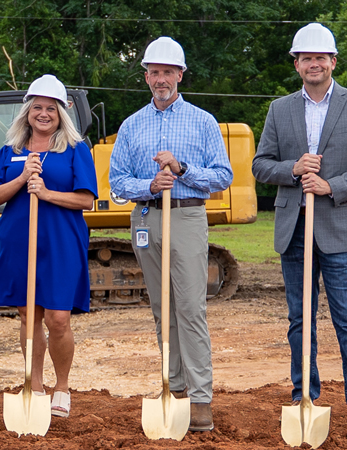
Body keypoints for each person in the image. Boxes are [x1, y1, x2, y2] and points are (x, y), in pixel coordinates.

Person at [252, 22, 347, 437]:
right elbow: (261, 165)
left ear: (332, 61)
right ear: (297, 64)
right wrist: (292, 169)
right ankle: (302, 396)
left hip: (342, 229)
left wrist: (333, 185)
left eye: (320, 57)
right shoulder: (280, 109)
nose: (314, 64)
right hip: (294, 230)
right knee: (300, 319)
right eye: (305, 58)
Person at [108, 36, 233, 432]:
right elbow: (116, 182)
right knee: (162, 310)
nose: (161, 79)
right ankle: (173, 388)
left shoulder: (202, 121)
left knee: (190, 308)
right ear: (146, 76)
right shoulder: (131, 125)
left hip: (187, 217)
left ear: (180, 74)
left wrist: (181, 171)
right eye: (154, 72)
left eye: (168, 72)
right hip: (147, 218)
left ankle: (200, 397)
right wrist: (148, 186)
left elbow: (223, 176)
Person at [0, 75, 97, 418]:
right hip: (19, 240)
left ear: (61, 114)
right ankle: (34, 385)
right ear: (27, 112)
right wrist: (21, 179)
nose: (44, 114)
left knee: (58, 318)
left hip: (61, 240)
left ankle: (61, 386)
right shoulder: (11, 152)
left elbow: (86, 200)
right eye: (38, 107)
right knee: (27, 315)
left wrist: (46, 193)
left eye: (51, 108)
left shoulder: (76, 151)